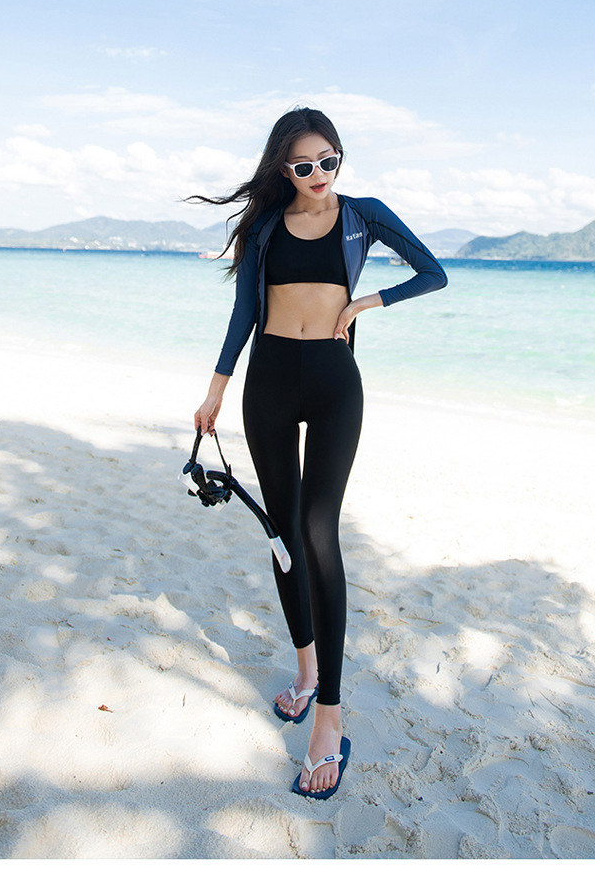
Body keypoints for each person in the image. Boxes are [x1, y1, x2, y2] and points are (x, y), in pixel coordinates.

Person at [191, 107, 447, 798]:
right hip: (269, 381)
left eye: (328, 160)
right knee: (282, 533)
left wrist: (364, 304)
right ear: (284, 167)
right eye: (303, 165)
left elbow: (433, 274)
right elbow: (244, 313)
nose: (318, 174)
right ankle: (305, 670)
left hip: (335, 382)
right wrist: (215, 390)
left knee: (317, 531)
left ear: (339, 157)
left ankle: (329, 715)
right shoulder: (266, 225)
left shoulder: (363, 215)